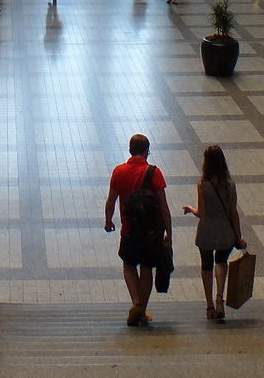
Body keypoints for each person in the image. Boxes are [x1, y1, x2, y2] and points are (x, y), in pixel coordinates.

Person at [105, 134, 172, 327]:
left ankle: (136, 303)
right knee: (146, 268)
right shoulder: (154, 173)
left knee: (128, 264)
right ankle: (141, 310)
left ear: (129, 150)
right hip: (151, 233)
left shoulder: (119, 171)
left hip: (129, 230)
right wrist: (169, 233)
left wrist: (108, 220)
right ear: (146, 151)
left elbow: (111, 200)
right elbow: (164, 206)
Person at [182, 145, 245, 321]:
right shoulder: (231, 185)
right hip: (226, 232)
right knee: (221, 261)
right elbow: (233, 212)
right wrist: (238, 237)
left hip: (207, 232)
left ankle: (209, 305)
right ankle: (219, 297)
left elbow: (201, 213)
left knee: (206, 265)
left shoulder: (203, 185)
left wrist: (190, 209)